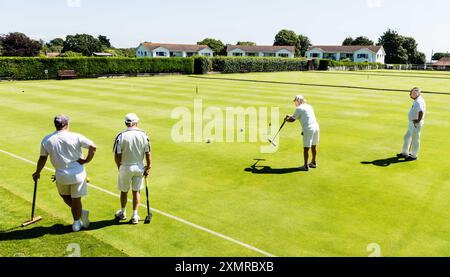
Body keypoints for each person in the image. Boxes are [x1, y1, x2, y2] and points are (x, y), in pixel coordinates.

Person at [32, 115, 96, 232]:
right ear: (66, 124)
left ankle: (79, 217)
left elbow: (42, 158)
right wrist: (86, 160)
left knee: (65, 196)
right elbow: (93, 147)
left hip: (61, 176)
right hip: (79, 174)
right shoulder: (76, 136)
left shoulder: (47, 139)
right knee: (76, 199)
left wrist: (37, 172)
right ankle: (77, 221)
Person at [113, 113, 151, 224]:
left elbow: (117, 155)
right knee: (136, 191)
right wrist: (148, 167)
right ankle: (135, 215)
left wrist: (119, 167)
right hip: (139, 166)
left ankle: (123, 213)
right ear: (136, 122)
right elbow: (148, 153)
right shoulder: (144, 134)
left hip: (125, 166)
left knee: (124, 191)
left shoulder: (121, 135)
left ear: (126, 123)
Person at [285, 95, 320, 171]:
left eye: (295, 101)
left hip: (308, 129)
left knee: (306, 148)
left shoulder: (299, 108)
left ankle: (305, 166)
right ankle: (313, 162)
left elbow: (292, 120)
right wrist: (290, 116)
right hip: (316, 127)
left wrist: (286, 119)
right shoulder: (309, 106)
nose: (295, 103)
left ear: (298, 101)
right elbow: (303, 116)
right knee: (314, 146)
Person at [398, 87, 426, 161]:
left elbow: (421, 112)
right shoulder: (417, 99)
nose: (410, 94)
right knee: (407, 137)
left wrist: (418, 120)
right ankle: (405, 153)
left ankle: (414, 156)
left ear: (415, 94)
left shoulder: (418, 101)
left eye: (411, 93)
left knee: (415, 139)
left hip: (415, 123)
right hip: (412, 123)